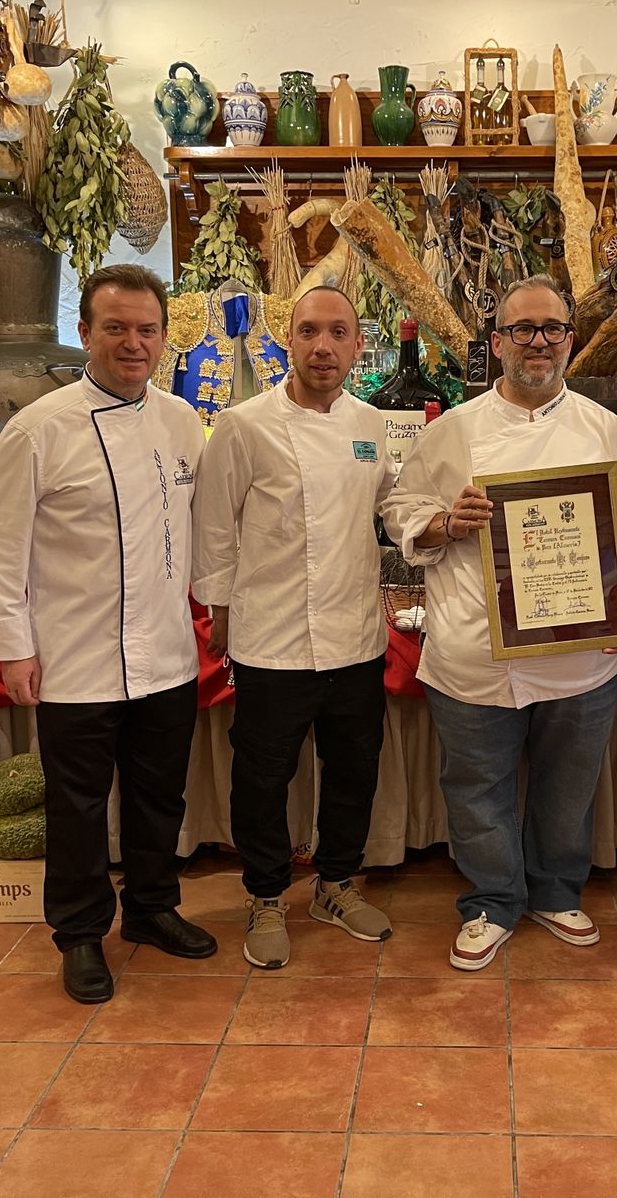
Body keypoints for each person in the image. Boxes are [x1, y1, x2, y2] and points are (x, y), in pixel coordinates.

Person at [381, 275, 617, 972]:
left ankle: (555, 888)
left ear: (571, 340)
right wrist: (446, 522)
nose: (537, 341)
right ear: (497, 343)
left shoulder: (608, 432)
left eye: (552, 329)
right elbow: (400, 510)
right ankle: (490, 901)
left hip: (583, 655)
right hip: (475, 648)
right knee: (475, 785)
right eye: (522, 330)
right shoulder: (453, 430)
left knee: (568, 783)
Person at [0, 264, 216, 1004]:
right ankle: (79, 935)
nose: (133, 343)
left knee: (157, 797)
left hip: (167, 654)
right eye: (116, 328)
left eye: (146, 330)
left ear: (165, 339)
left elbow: (198, 532)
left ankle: (150, 909)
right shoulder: (39, 430)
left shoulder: (180, 422)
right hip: (74, 658)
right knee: (76, 809)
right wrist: (9, 645)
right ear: (85, 334)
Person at [192, 286, 396, 970]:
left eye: (338, 332)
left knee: (353, 772)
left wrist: (435, 522)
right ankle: (267, 894)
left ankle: (336, 885)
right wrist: (218, 609)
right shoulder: (244, 425)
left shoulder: (370, 425)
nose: (323, 346)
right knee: (263, 778)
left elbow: (393, 507)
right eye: (309, 331)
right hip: (271, 637)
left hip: (356, 635)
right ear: (290, 339)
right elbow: (215, 527)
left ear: (358, 343)